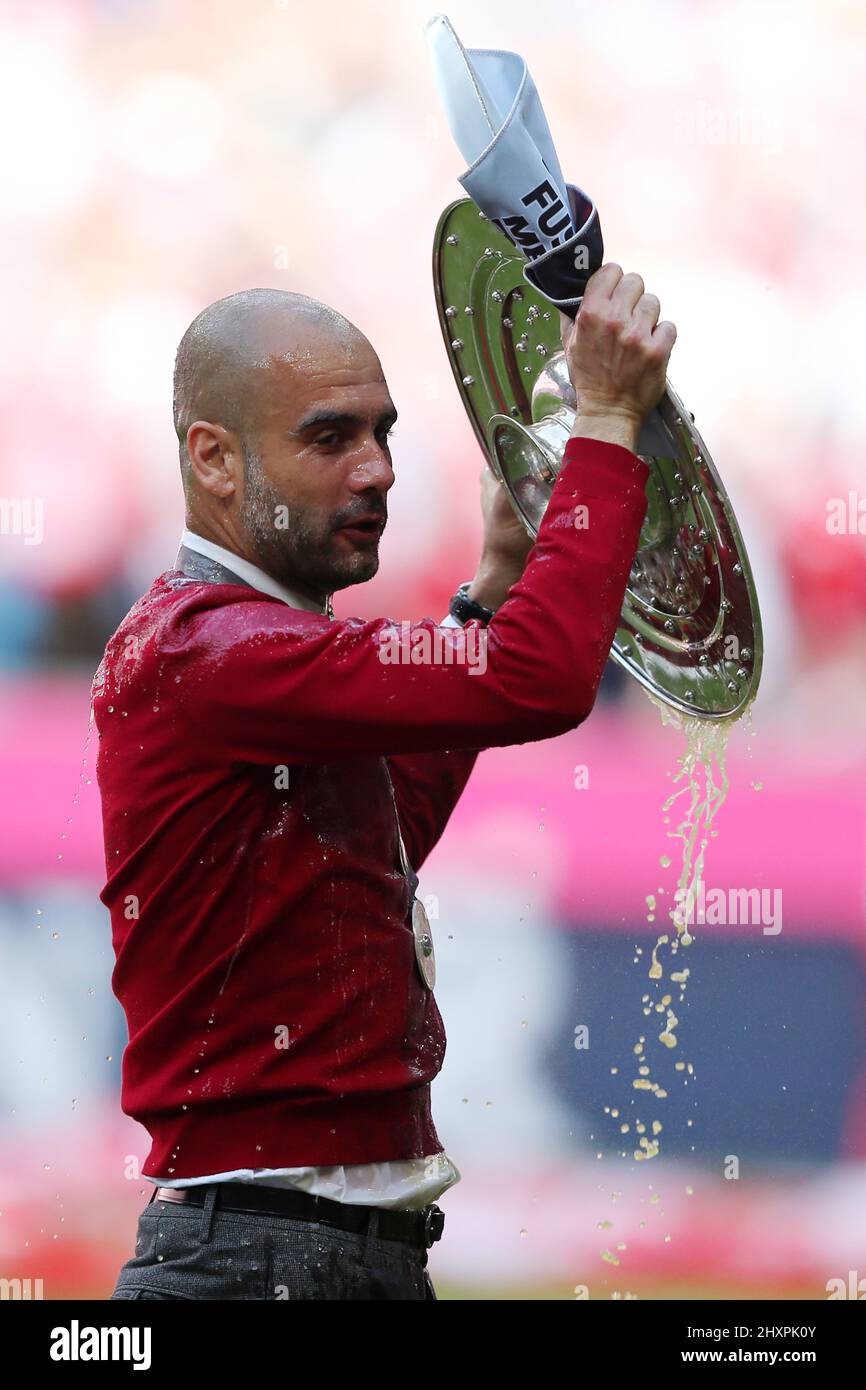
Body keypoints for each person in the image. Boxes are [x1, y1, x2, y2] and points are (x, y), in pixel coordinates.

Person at [96, 264, 675, 1300]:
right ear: (214, 459)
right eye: (329, 438)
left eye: (382, 433)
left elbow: (384, 827)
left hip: (297, 1252)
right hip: (260, 1261)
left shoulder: (250, 652)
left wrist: (489, 595)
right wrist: (602, 422)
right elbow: (537, 680)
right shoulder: (212, 646)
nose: (375, 472)